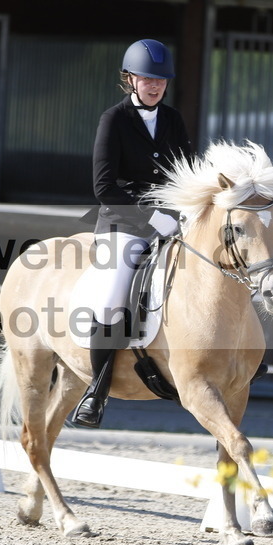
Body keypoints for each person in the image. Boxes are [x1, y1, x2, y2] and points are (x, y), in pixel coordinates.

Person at [70, 39, 194, 429]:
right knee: (110, 300)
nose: (155, 85)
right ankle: (96, 392)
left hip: (172, 221)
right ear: (130, 79)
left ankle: (243, 360)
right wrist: (151, 217)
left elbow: (186, 175)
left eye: (161, 80)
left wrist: (186, 212)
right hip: (124, 222)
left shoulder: (173, 119)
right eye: (147, 78)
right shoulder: (114, 119)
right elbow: (104, 186)